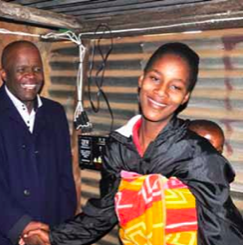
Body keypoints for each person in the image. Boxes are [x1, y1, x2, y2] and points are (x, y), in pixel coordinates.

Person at [22, 42, 242, 245]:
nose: (161, 92)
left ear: (185, 97)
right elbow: (106, 212)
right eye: (155, 78)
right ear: (141, 79)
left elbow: (222, 230)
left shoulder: (199, 157)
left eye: (175, 87)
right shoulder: (118, 147)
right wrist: (54, 237)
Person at [0, 40, 77, 245]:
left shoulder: (54, 113)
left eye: (37, 69)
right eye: (21, 69)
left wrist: (59, 228)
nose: (31, 75)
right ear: (4, 74)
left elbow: (65, 175)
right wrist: (21, 225)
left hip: (47, 233)